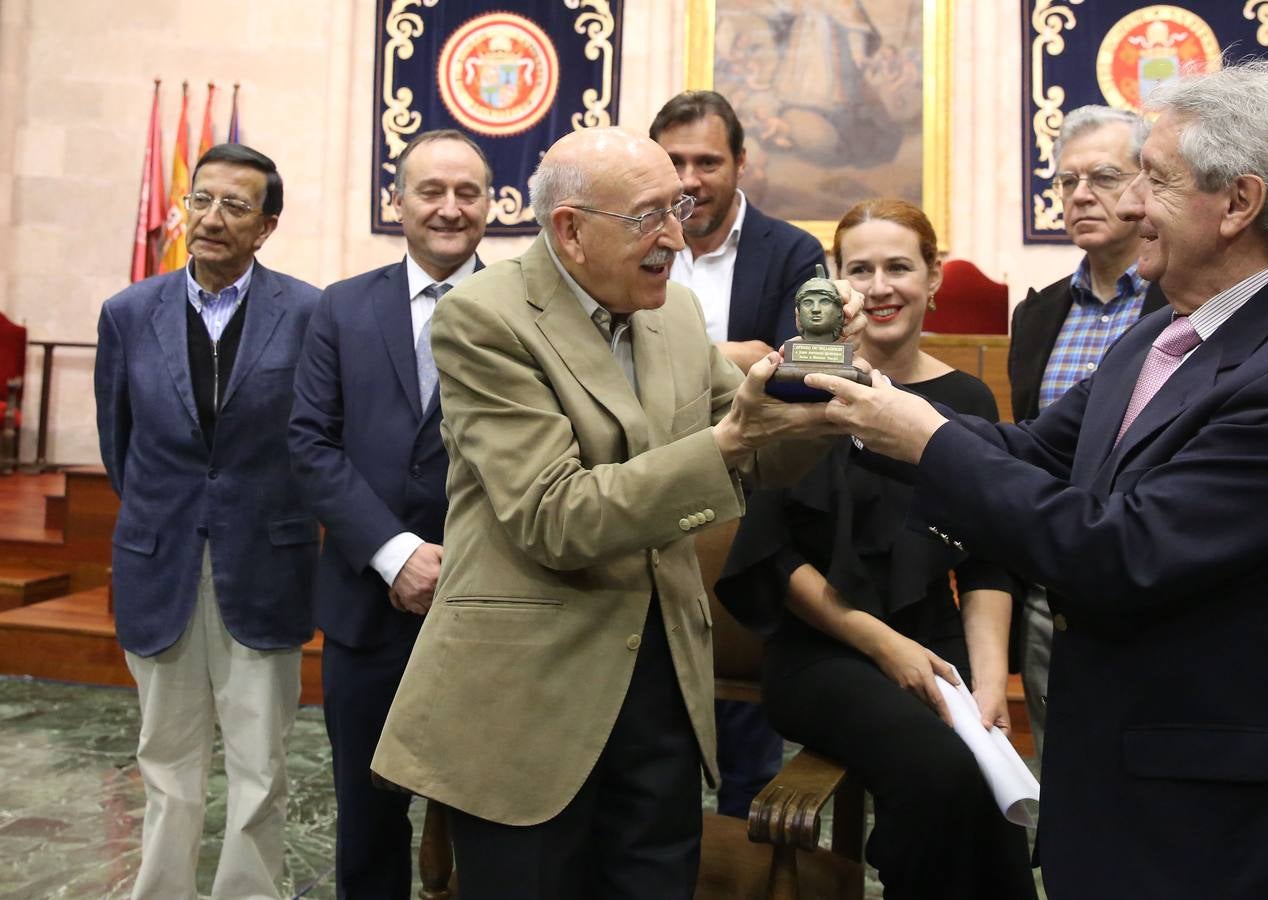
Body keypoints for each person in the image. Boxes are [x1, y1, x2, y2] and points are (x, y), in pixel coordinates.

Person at [809, 63, 1268, 899]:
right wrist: (873, 408)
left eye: (1153, 180)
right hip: (1116, 779)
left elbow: (1119, 554)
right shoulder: (1160, 330)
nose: (1126, 207)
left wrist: (929, 441)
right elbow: (1037, 455)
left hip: (1217, 821)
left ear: (1238, 204)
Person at [370, 127, 863, 900]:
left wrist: (814, 408)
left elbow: (755, 454)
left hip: (660, 682)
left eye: (679, 207)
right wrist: (730, 439)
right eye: (649, 216)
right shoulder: (482, 320)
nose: (675, 235)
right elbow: (554, 516)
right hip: (528, 699)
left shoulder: (671, 314)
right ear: (570, 229)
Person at [717, 198, 1038, 900]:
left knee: (986, 787)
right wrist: (882, 645)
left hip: (937, 639)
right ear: (834, 284)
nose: (879, 286)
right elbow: (773, 556)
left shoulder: (968, 398)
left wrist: (989, 690)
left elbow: (988, 557)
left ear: (934, 280)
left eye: (899, 267)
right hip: (822, 648)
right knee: (942, 771)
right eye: (858, 269)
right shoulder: (794, 387)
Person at [94, 143, 321, 900]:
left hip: (266, 562)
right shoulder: (128, 314)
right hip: (160, 561)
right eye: (202, 200)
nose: (212, 218)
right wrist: (175, 513)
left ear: (268, 226)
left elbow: (319, 437)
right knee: (165, 758)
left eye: (235, 206)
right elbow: (118, 444)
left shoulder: (311, 312)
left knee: (260, 764)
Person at [287, 129, 491, 899]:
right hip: (366, 609)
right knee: (369, 818)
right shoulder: (340, 308)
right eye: (430, 191)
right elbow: (309, 445)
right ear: (395, 202)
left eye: (466, 192)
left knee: (486, 819)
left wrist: (456, 561)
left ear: (490, 205)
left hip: (487, 610)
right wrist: (394, 551)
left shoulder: (531, 311)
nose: (448, 208)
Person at [650, 89, 827, 818]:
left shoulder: (790, 251)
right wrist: (729, 356)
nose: (689, 179)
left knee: (743, 733)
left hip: (748, 508)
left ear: (740, 163)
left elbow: (802, 368)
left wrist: (664, 361)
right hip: (647, 498)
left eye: (706, 161)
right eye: (674, 162)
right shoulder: (638, 238)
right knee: (651, 720)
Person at [1008, 105, 1167, 758]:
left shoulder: (1180, 305)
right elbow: (1033, 441)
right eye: (1064, 182)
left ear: (1145, 185)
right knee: (1061, 765)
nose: (1079, 195)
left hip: (1152, 581)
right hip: (1054, 586)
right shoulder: (1038, 313)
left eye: (1102, 177)